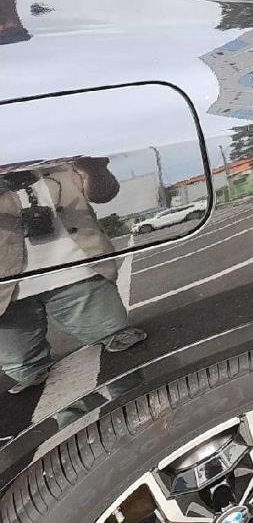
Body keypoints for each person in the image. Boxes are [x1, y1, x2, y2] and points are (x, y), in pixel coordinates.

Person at [0, 157, 146, 392]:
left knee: (120, 352)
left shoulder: (60, 159)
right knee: (29, 377)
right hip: (6, 294)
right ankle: (69, 416)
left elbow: (104, 193)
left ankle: (134, 408)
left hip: (78, 273)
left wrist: (92, 168)